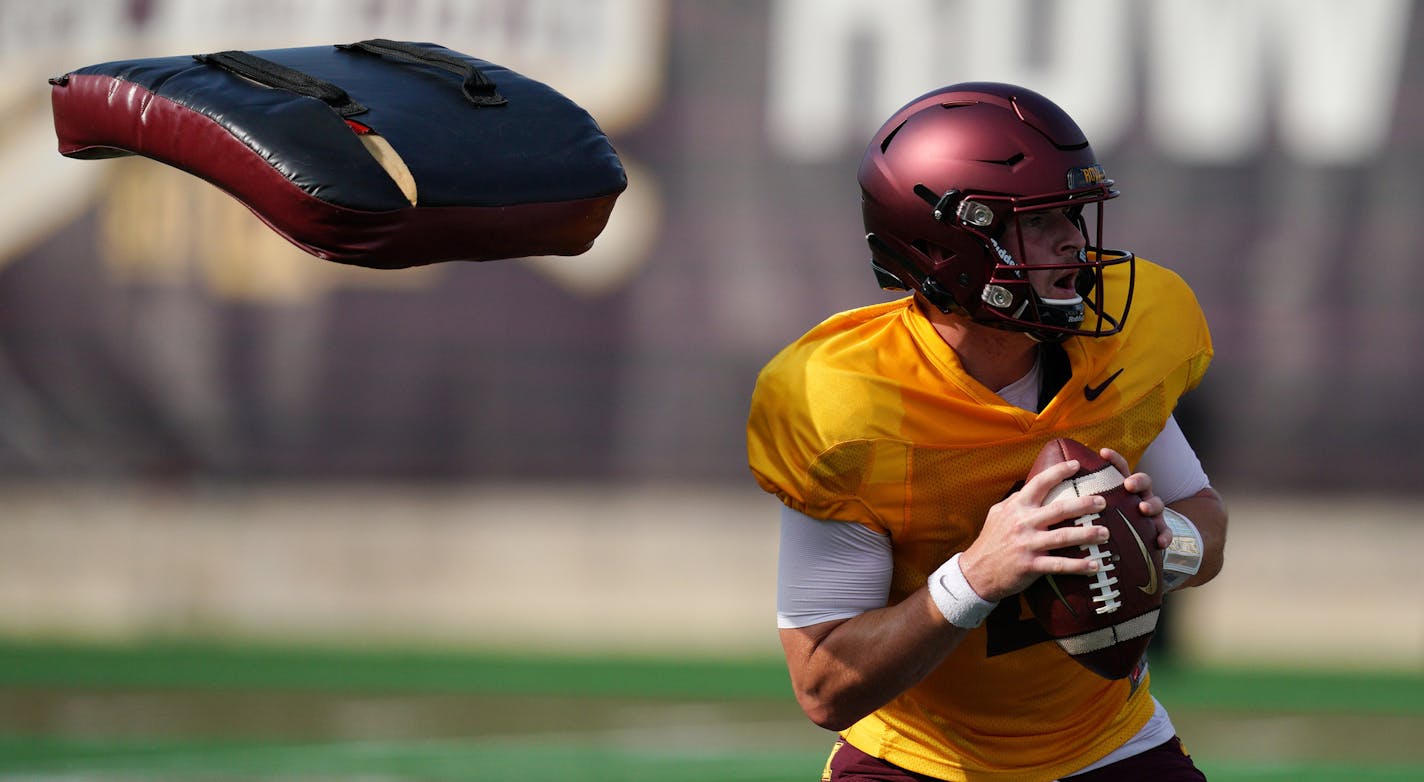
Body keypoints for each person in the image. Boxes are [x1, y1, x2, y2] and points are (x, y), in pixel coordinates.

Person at [746, 82, 1228, 781]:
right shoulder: (846, 403)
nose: (1075, 242)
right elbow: (824, 686)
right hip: (917, 761)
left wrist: (1162, 547)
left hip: (1113, 745)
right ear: (949, 247)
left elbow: (1206, 527)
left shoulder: (1128, 337)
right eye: (1039, 222)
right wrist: (978, 575)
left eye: (1074, 215)